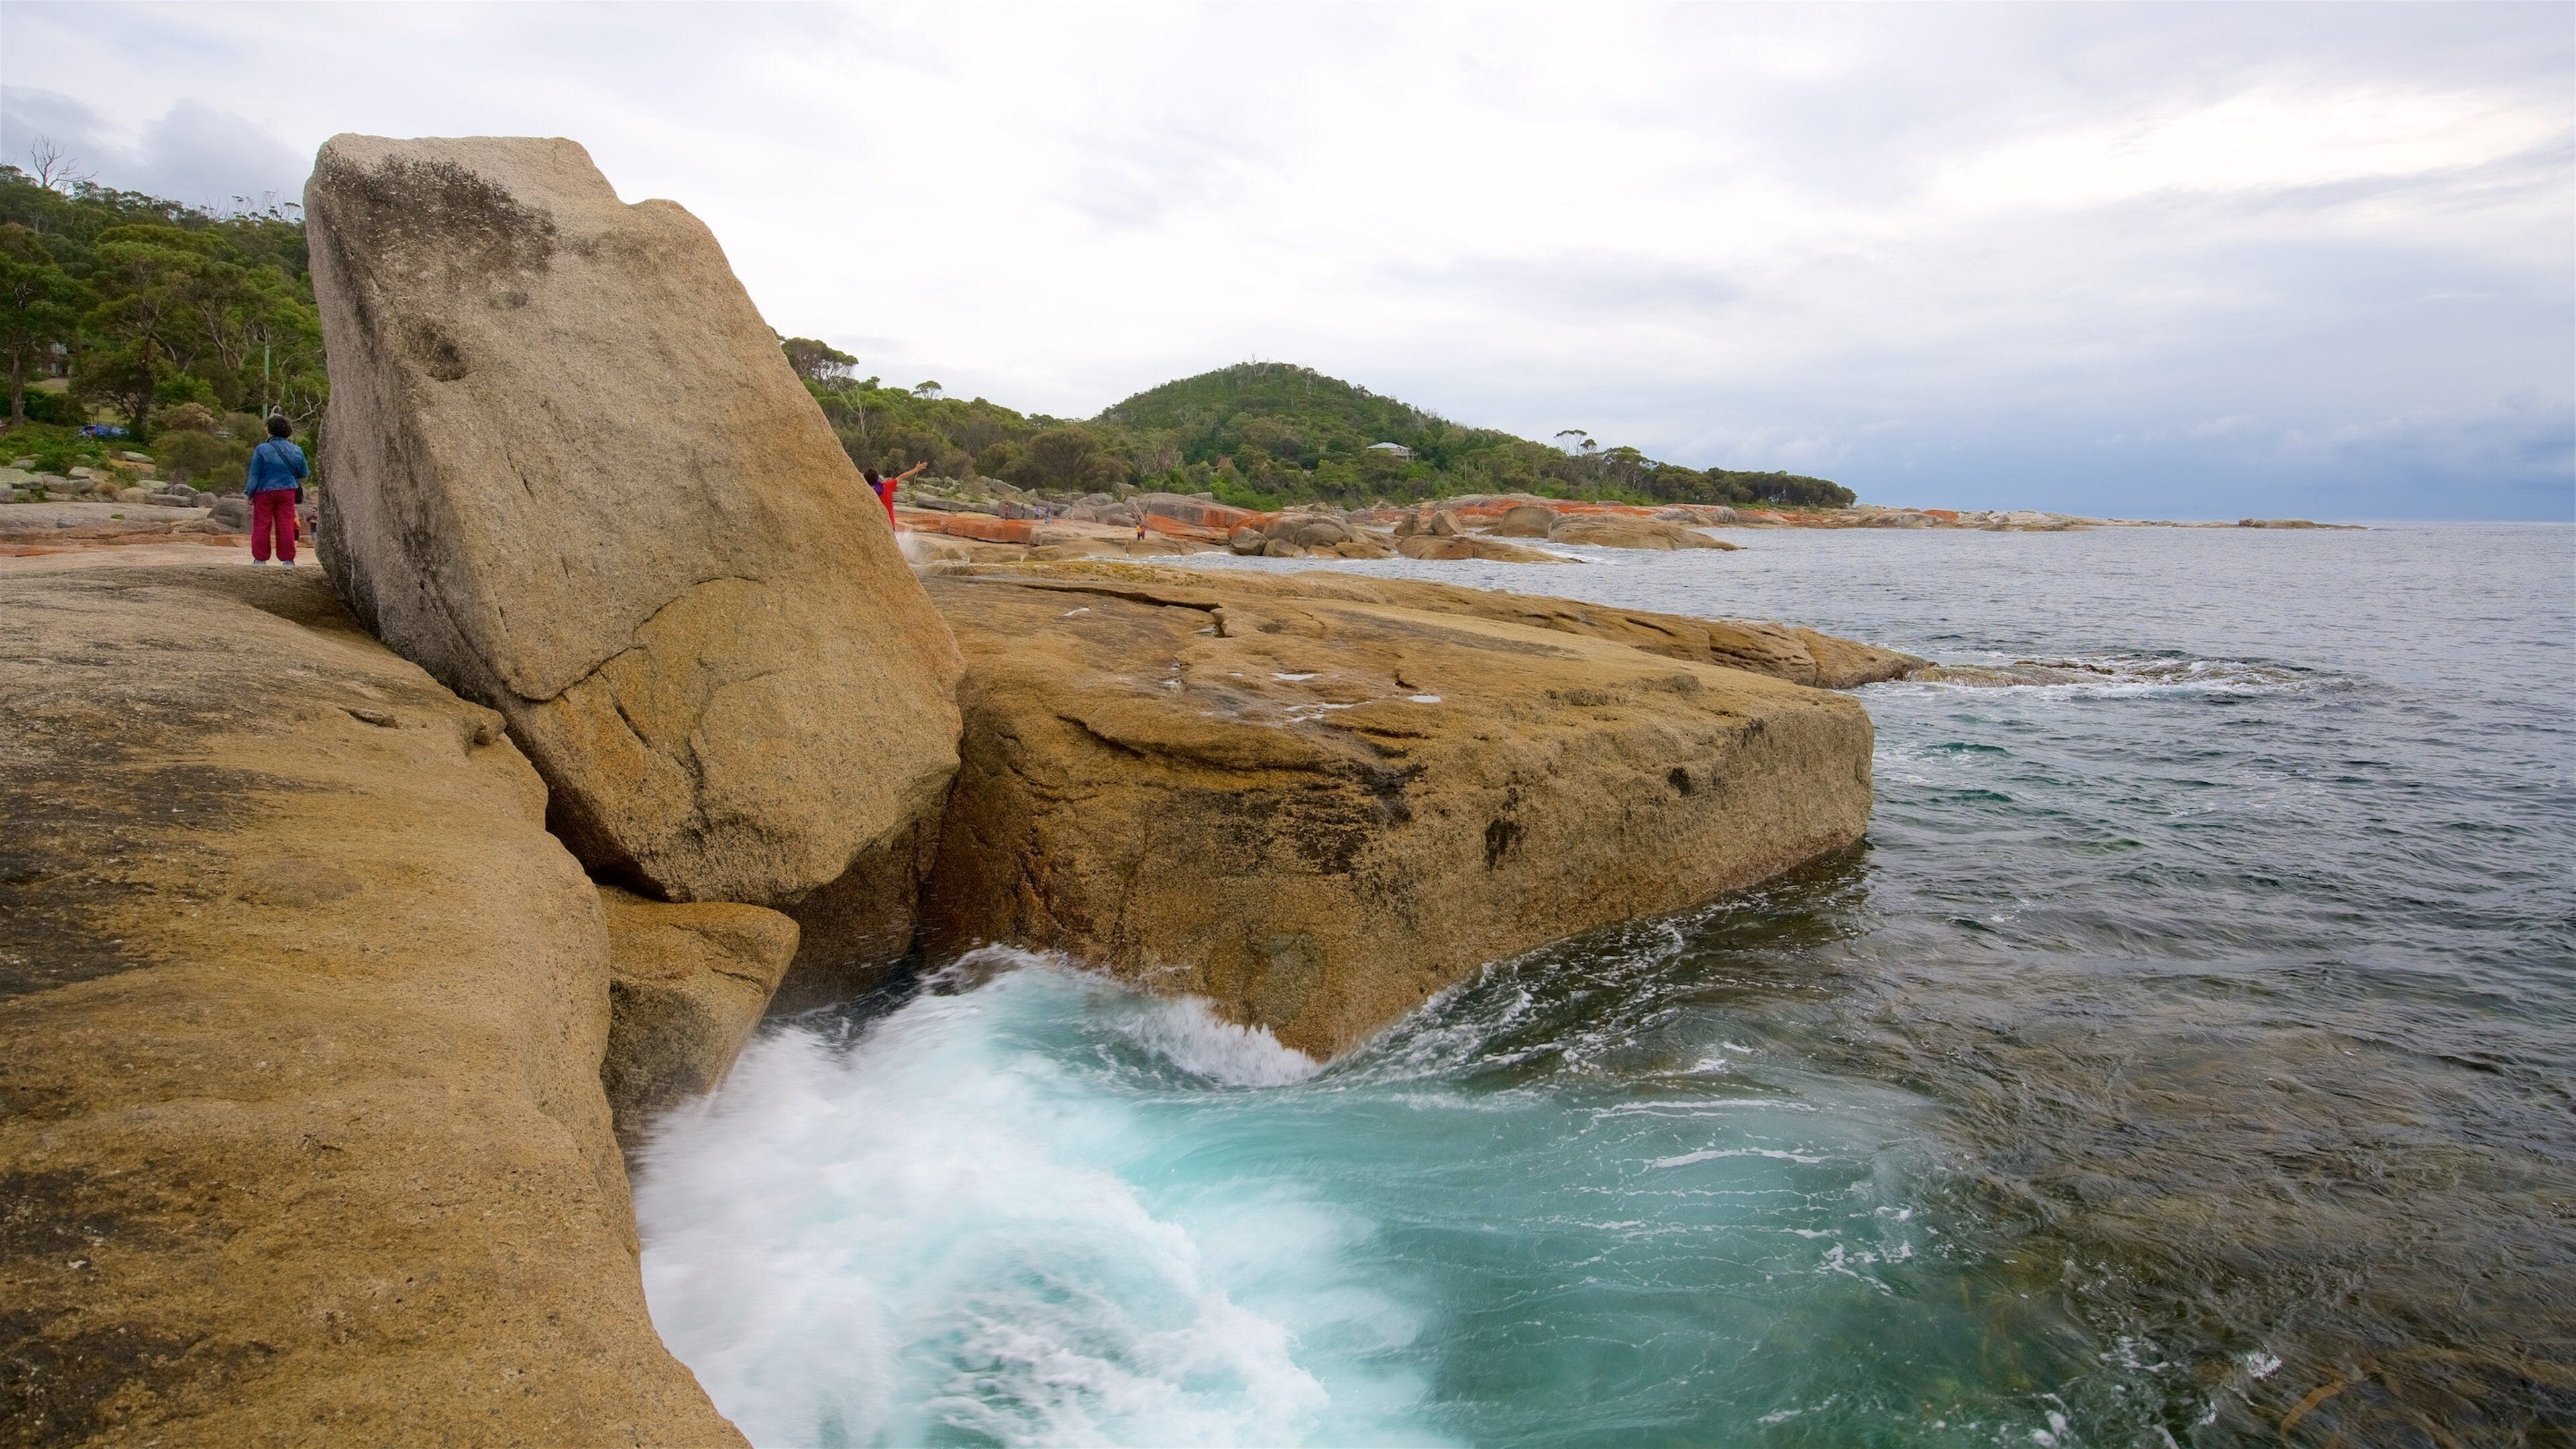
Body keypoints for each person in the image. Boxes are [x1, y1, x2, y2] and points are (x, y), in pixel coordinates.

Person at [244, 414, 308, 566]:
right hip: (288, 491)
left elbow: (255, 474)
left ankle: (260, 559)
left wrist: (249, 493)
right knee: (286, 524)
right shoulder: (296, 449)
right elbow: (304, 472)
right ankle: (288, 560)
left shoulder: (262, 449)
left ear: (270, 430)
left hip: (264, 492)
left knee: (262, 524)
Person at [862, 462, 927, 528]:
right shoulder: (887, 486)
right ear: (877, 477)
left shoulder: (865, 493)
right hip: (889, 524)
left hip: (874, 525)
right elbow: (902, 476)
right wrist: (916, 469)